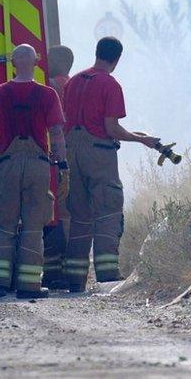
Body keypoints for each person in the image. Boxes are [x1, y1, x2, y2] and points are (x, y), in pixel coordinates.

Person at [61, 37, 160, 292]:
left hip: (72, 152)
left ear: (97, 53)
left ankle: (75, 280)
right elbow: (110, 128)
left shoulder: (74, 82)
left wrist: (139, 136)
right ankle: (107, 278)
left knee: (80, 215)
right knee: (107, 210)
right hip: (99, 155)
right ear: (116, 59)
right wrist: (143, 141)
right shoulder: (110, 84)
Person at [0, 44, 68, 299]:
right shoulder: (48, 94)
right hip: (39, 164)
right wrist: (62, 164)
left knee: (3, 224)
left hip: (8, 163)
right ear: (37, 63)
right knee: (33, 226)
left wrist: (3, 149)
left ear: (13, 63)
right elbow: (56, 133)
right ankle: (29, 286)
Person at [42, 45, 75, 289]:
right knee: (70, 211)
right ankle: (68, 267)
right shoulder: (74, 84)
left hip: (57, 152)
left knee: (59, 211)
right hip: (73, 150)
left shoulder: (52, 84)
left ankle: (56, 269)